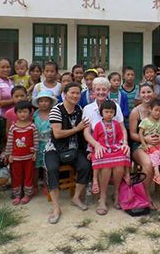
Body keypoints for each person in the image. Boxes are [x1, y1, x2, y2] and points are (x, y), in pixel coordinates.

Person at [44, 82, 91, 224]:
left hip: (73, 148)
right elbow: (57, 134)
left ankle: (76, 197)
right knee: (52, 170)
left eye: (78, 93)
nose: (75, 96)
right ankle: (56, 207)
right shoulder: (56, 110)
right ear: (65, 94)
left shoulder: (79, 109)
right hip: (55, 148)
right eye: (72, 93)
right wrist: (76, 129)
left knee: (85, 166)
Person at [82, 77, 130, 215]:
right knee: (106, 163)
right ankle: (102, 198)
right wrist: (96, 145)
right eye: (98, 89)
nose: (101, 92)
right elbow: (86, 133)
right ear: (93, 91)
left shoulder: (115, 107)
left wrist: (125, 143)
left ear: (108, 91)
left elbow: (122, 128)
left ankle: (116, 193)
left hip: (115, 143)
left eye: (104, 89)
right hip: (95, 144)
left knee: (120, 162)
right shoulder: (88, 109)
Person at [129, 82, 160, 211]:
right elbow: (132, 134)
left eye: (149, 92)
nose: (146, 95)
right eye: (143, 92)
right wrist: (146, 139)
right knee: (148, 164)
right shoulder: (135, 112)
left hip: (158, 145)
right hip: (140, 146)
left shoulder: (158, 109)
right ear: (139, 94)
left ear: (153, 93)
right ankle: (146, 196)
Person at [5, 101, 39, 205]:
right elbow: (10, 141)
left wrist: (35, 153)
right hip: (15, 158)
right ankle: (17, 195)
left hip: (29, 157)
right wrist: (9, 154)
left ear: (30, 113)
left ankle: (28, 194)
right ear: (16, 113)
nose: (22, 114)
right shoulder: (13, 127)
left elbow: (36, 140)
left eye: (25, 111)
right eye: (20, 112)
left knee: (29, 175)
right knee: (16, 176)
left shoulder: (32, 126)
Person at [32, 90, 57, 193]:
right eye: (41, 101)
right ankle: (34, 185)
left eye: (46, 101)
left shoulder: (54, 113)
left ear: (51, 102)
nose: (44, 103)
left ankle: (47, 185)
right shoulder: (35, 114)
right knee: (36, 166)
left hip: (50, 144)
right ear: (38, 103)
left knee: (47, 167)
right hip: (37, 143)